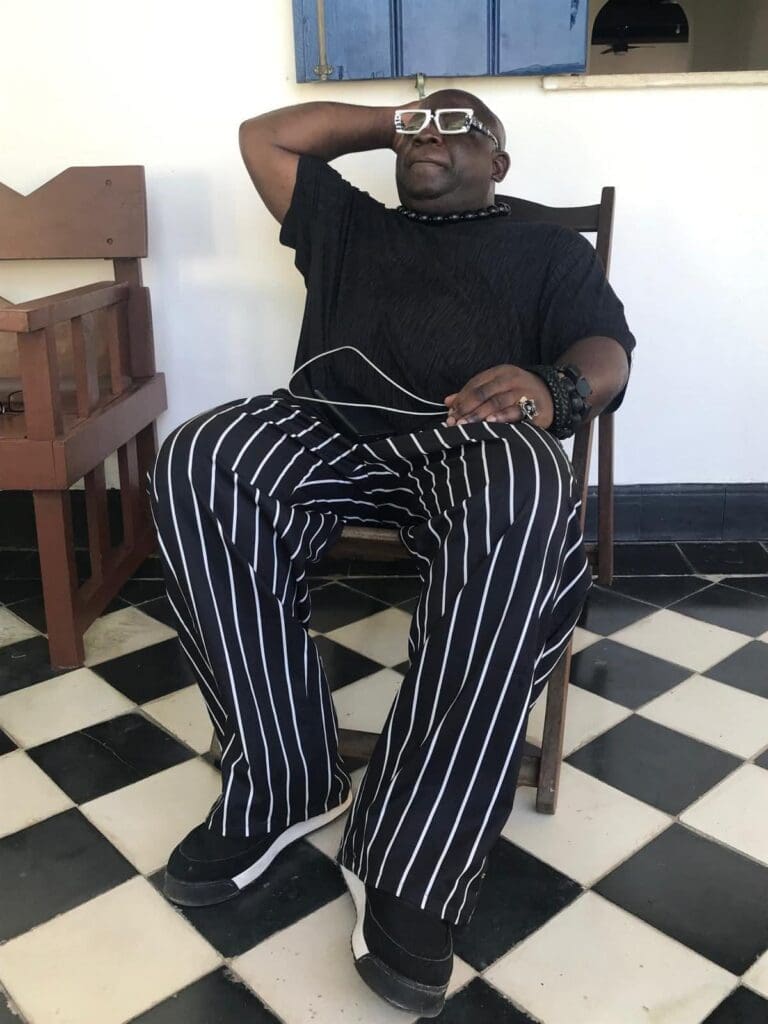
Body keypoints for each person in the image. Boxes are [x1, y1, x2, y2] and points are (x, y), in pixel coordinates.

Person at [149, 89, 634, 1017]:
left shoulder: (546, 248)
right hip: (328, 429)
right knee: (200, 457)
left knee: (530, 493)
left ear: (500, 164)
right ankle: (284, 779)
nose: (431, 137)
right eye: (419, 127)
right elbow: (265, 136)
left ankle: (412, 853)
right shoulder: (346, 222)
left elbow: (607, 350)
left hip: (471, 442)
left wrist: (555, 387)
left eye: (462, 128)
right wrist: (404, 120)